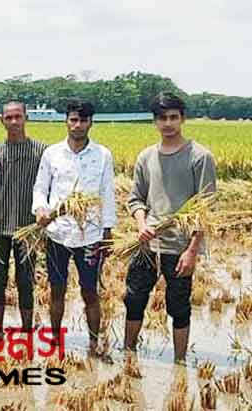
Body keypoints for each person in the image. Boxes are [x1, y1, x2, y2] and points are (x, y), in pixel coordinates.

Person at [123, 92, 217, 364]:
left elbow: (205, 208)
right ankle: (128, 353)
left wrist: (192, 251)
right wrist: (141, 224)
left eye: (173, 117)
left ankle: (179, 362)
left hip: (180, 246)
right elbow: (135, 198)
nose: (168, 123)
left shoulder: (200, 157)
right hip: (147, 243)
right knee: (134, 298)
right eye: (162, 118)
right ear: (154, 121)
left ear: (182, 119)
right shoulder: (146, 157)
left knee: (179, 306)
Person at [32, 99, 116, 355]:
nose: (77, 125)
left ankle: (93, 343)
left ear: (91, 122)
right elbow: (40, 187)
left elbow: (107, 193)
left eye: (83, 120)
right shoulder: (52, 153)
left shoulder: (102, 155)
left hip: (89, 234)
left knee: (90, 291)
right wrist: (41, 209)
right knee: (56, 290)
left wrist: (107, 231)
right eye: (73, 119)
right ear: (66, 121)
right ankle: (55, 341)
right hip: (57, 232)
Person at [0, 102, 47, 334]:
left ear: (26, 118)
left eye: (17, 117)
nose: (13, 122)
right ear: (1, 120)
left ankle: (26, 329)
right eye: (8, 117)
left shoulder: (41, 151)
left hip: (28, 227)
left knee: (25, 280)